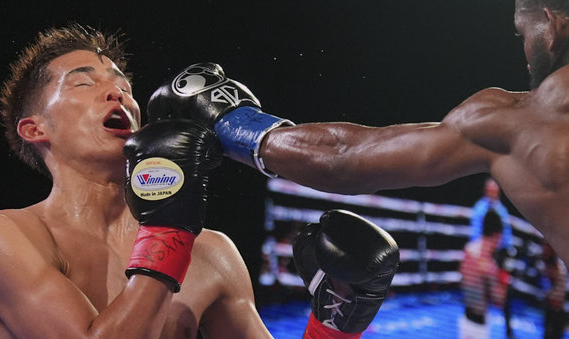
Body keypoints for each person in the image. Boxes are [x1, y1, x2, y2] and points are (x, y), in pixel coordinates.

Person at [0, 25, 399, 339]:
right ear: (35, 129)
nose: (117, 93)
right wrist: (170, 226)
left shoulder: (210, 252)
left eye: (123, 85)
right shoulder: (4, 239)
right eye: (83, 82)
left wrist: (339, 318)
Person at [145, 0, 569, 269]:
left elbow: (347, 158)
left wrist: (230, 119)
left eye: (523, 33)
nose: (524, 50)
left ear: (549, 27)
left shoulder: (522, 122)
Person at [456, 210, 505, 339]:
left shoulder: (469, 250)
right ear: (497, 234)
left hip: (465, 320)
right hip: (478, 328)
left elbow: (464, 280)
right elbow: (498, 300)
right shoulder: (489, 265)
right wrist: (504, 280)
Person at [470, 178, 520, 339]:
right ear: (486, 192)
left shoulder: (501, 209)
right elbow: (475, 234)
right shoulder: (480, 209)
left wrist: (509, 253)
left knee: (504, 292)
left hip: (499, 255)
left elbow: (506, 234)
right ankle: (476, 328)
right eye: (491, 191)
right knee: (479, 292)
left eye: (496, 192)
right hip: (482, 255)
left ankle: (508, 329)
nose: (493, 195)